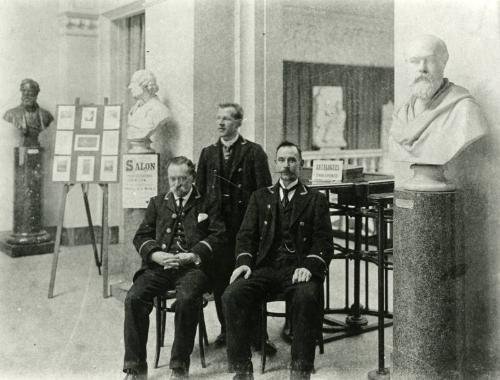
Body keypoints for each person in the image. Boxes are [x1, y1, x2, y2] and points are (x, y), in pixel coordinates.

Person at [222, 141, 334, 380]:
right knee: (232, 295)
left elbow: (324, 242)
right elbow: (246, 236)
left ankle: (300, 369)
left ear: (301, 165)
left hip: (298, 269)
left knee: (306, 296)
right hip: (266, 268)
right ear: (275, 164)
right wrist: (243, 262)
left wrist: (309, 266)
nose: (287, 166)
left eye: (292, 160)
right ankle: (242, 370)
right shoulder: (260, 197)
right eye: (282, 160)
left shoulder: (315, 199)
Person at [122, 156, 225, 380]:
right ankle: (136, 367)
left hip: (193, 269)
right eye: (172, 179)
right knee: (134, 298)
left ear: (193, 178)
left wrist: (194, 253)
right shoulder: (158, 202)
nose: (177, 185)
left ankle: (179, 366)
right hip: (159, 268)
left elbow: (219, 235)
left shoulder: (207, 202)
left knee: (187, 299)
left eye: (182, 179)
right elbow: (141, 236)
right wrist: (156, 255)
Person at [196, 102, 273, 349]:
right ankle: (227, 331)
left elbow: (264, 194)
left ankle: (259, 336)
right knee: (221, 280)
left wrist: (261, 228)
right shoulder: (208, 153)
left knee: (251, 278)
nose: (220, 123)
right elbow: (199, 192)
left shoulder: (254, 152)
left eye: (227, 119)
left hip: (246, 228)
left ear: (239, 122)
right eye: (218, 118)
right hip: (218, 231)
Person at [389, 34, 487, 165]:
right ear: (406, 65)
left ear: (443, 63)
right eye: (414, 61)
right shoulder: (402, 114)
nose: (422, 68)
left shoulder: (465, 110)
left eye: (430, 60)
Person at [127, 69, 170, 153]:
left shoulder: (160, 110)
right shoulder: (135, 108)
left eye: (133, 83)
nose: (129, 87)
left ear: (144, 86)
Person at [4, 78, 53, 147]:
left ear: (36, 94)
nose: (26, 94)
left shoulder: (46, 115)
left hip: (37, 148)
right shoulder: (10, 114)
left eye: (30, 92)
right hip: (21, 148)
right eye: (24, 91)